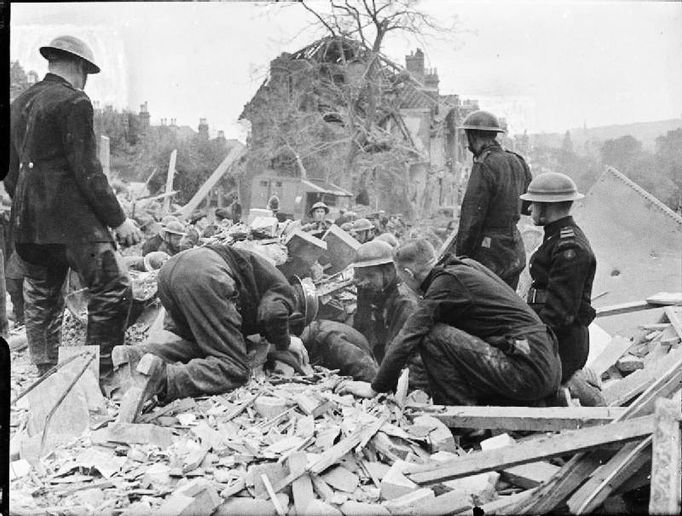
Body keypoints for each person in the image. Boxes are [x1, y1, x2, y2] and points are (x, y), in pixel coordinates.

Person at [5, 35, 142, 377]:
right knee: (113, 287)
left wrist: (28, 201)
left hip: (28, 225)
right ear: (80, 67)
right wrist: (118, 219)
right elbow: (88, 171)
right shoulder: (74, 101)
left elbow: (8, 173)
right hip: (73, 225)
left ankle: (47, 374)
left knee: (41, 297)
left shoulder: (17, 103)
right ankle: (100, 373)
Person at [338, 239, 562, 407]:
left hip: (528, 371)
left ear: (407, 273)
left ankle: (462, 418)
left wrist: (375, 387)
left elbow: (407, 337)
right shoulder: (464, 266)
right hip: (547, 364)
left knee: (431, 335)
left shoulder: (445, 285)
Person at [111, 244, 309, 417]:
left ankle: (135, 356)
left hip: (171, 272)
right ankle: (163, 380)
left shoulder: (262, 280)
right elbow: (274, 313)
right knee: (235, 368)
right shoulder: (287, 292)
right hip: (207, 274)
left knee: (204, 349)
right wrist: (287, 341)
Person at [521, 172, 603, 406]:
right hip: (553, 339)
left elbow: (560, 314)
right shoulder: (555, 238)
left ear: (548, 207)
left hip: (562, 345)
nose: (530, 210)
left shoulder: (569, 246)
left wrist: (532, 345)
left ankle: (573, 394)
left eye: (534, 204)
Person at [452, 110, 532, 289]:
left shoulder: (484, 164)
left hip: (489, 254)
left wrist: (461, 259)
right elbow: (528, 206)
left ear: (473, 136)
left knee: (484, 306)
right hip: (514, 249)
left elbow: (471, 218)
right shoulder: (517, 160)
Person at [352, 241, 429, 391]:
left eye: (370, 275)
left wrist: (378, 383)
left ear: (389, 271)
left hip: (413, 370)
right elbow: (361, 329)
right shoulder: (377, 289)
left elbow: (397, 350)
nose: (365, 282)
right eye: (361, 276)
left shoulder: (404, 300)